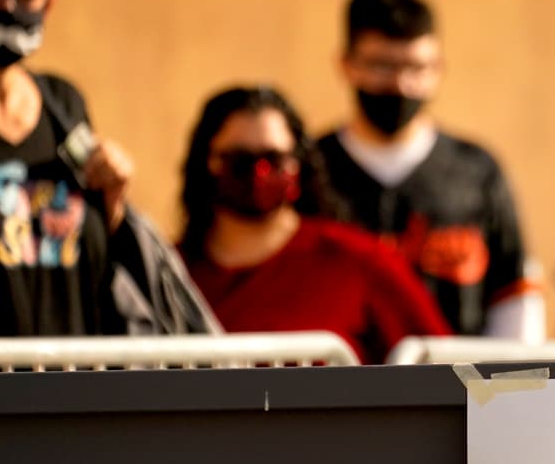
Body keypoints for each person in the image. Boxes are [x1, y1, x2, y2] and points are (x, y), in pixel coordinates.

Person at [317, 0, 542, 340]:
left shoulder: (476, 171)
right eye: (382, 66)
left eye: (417, 67)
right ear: (347, 65)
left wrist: (507, 387)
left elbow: (513, 293)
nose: (401, 85)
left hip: (458, 387)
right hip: (338, 387)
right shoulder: (313, 169)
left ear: (439, 69)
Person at [179, 86, 451, 363]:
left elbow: (449, 368)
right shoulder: (171, 274)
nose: (258, 173)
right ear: (207, 162)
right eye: (239, 161)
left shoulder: (359, 260)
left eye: (274, 159)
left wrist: (493, 405)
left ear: (298, 163)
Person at [0, 0, 136, 334]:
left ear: (48, 2)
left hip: (76, 383)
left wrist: (114, 196)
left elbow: (99, 249)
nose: (6, 8)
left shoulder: (63, 104)